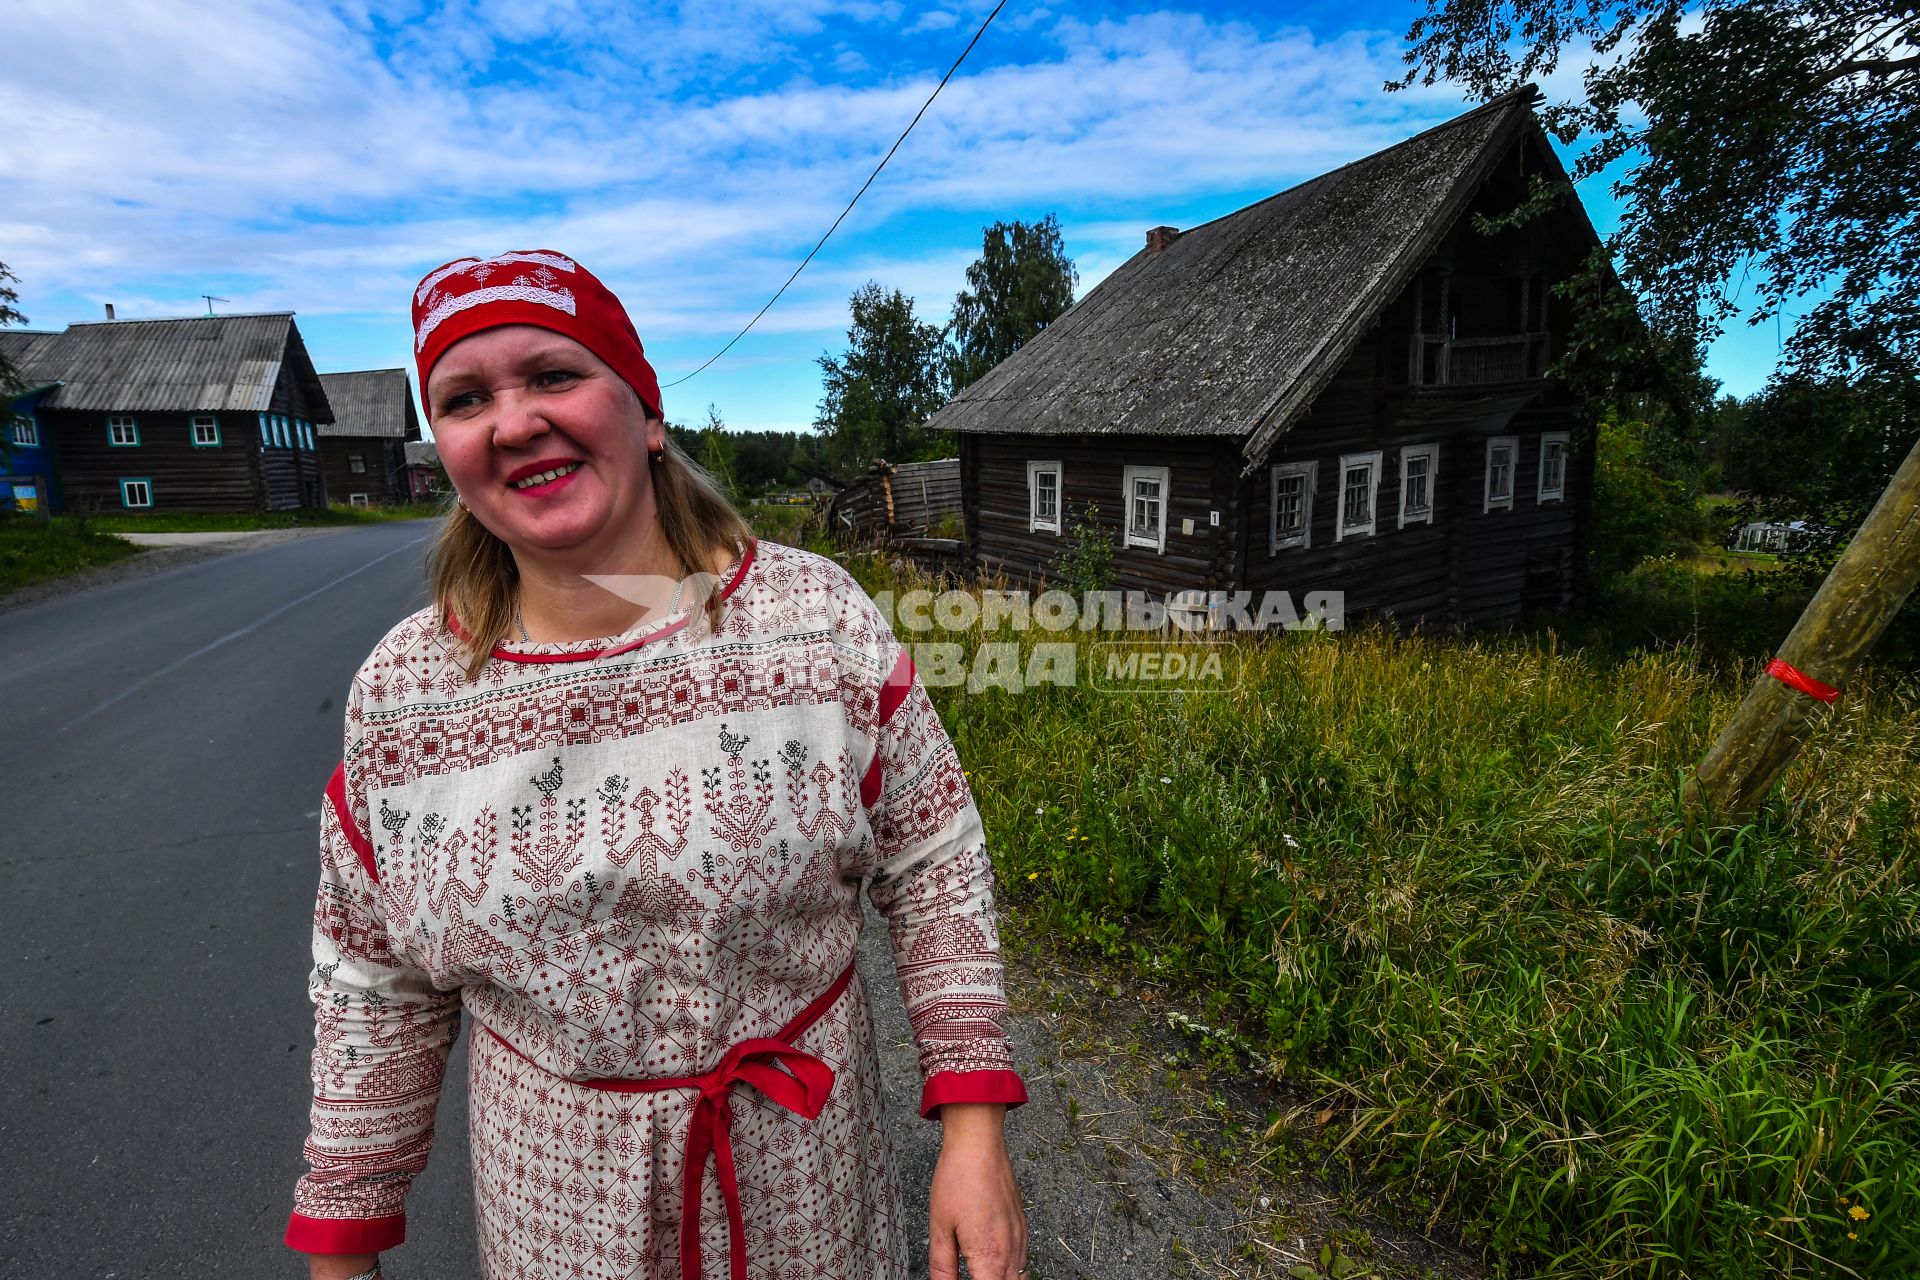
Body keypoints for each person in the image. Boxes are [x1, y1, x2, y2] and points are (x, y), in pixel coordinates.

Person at [285, 250, 1029, 1280]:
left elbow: (933, 854)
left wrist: (973, 1129)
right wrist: (343, 1247)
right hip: (559, 1220)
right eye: (465, 398)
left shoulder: (814, 623)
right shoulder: (403, 700)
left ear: (645, 411)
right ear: (445, 446)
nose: (513, 421)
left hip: (811, 1192)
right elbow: (378, 986)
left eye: (552, 375)